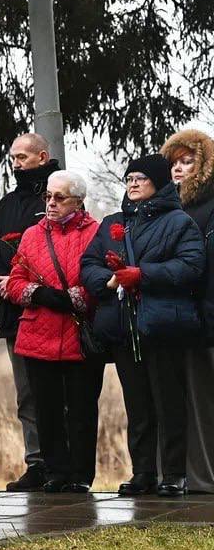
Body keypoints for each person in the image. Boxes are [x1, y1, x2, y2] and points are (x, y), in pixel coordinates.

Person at [81, 154, 204, 497]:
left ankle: (174, 474)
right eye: (129, 178)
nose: (132, 183)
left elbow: (192, 266)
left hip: (162, 327)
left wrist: (144, 275)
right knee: (137, 406)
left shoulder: (179, 223)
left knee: (168, 403)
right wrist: (108, 280)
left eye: (140, 178)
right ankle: (143, 473)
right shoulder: (112, 224)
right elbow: (88, 264)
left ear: (159, 183)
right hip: (124, 328)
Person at [1, 170, 102, 492]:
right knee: (47, 408)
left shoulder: (96, 233)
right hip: (39, 333)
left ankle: (81, 475)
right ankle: (55, 471)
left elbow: (101, 279)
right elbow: (14, 281)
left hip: (79, 334)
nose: (51, 203)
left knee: (82, 408)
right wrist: (38, 294)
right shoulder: (32, 235)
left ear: (78, 201)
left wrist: (74, 298)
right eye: (48, 196)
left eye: (59, 197)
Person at [0, 133, 60, 491]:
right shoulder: (7, 204)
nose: (16, 163)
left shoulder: (59, 195)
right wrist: (5, 285)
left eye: (23, 157)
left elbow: (60, 251)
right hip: (14, 313)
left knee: (58, 392)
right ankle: (37, 463)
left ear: (42, 156)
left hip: (54, 313)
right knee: (27, 393)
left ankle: (64, 464)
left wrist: (32, 288)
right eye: (13, 157)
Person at [163, 129, 214, 493]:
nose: (179, 169)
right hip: (173, 317)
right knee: (183, 403)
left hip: (205, 312)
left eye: (187, 161)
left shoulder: (208, 205)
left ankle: (203, 480)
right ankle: (188, 478)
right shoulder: (167, 207)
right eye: (174, 163)